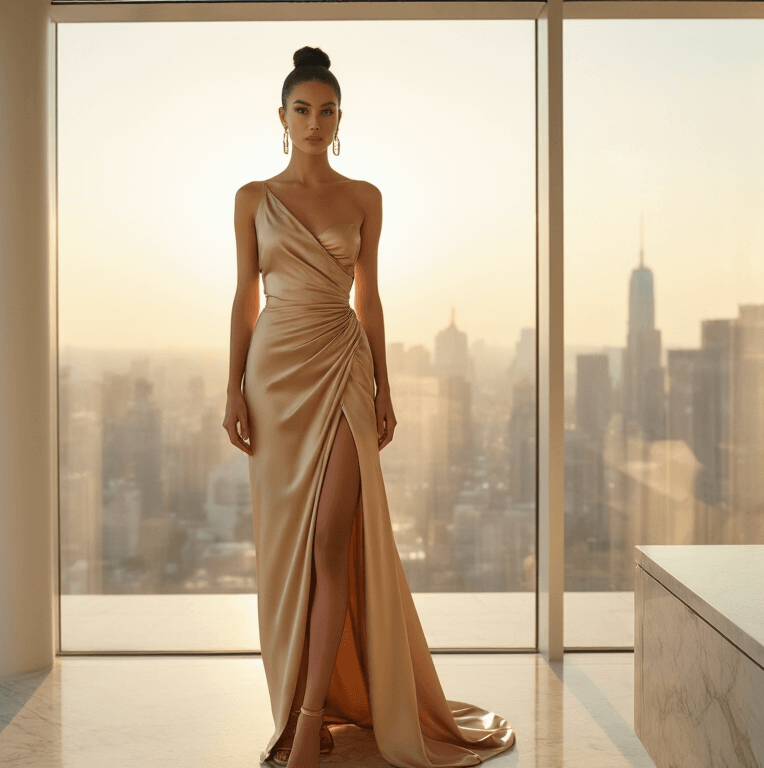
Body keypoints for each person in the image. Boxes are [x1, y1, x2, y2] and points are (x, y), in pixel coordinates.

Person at [223, 46, 517, 768]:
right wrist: (231, 386)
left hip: (344, 372)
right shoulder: (253, 198)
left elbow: (370, 297)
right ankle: (300, 712)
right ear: (282, 118)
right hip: (275, 380)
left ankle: (314, 714)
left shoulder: (365, 198)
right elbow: (243, 297)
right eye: (302, 110)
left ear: (339, 118)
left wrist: (384, 385)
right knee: (289, 554)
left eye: (326, 110)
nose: (315, 122)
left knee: (330, 546)